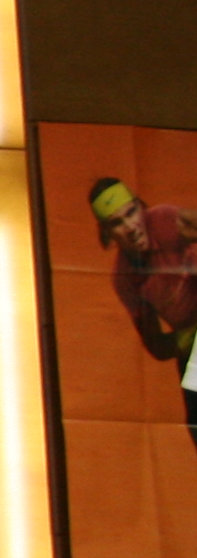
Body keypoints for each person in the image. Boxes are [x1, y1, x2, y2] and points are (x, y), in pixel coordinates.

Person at [91, 175, 197, 451]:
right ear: (107, 233)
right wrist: (188, 338)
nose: (130, 227)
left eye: (131, 213)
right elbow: (157, 345)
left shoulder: (162, 220)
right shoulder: (125, 279)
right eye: (117, 223)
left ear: (141, 208)